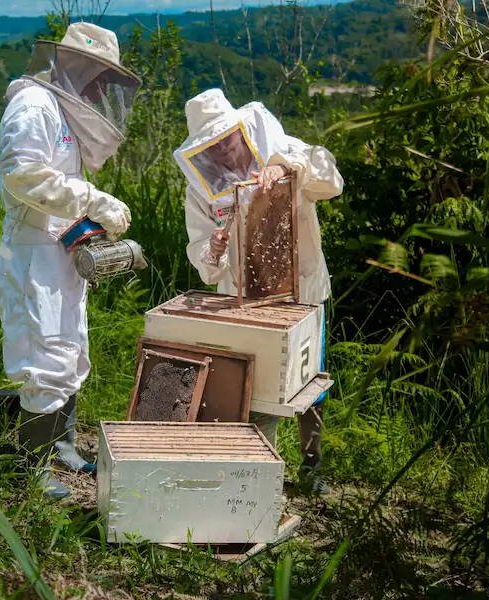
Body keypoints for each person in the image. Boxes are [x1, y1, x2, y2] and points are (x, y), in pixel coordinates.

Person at [0, 23, 141, 499]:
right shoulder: (33, 106)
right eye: (98, 74)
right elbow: (21, 174)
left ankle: (61, 449)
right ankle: (28, 467)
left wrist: (86, 227)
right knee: (46, 358)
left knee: (72, 351)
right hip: (32, 252)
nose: (100, 87)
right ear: (75, 64)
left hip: (59, 251)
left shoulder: (62, 114)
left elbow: (61, 192)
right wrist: (93, 198)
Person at [172, 88, 343, 494]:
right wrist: (211, 250)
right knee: (255, 384)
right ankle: (253, 475)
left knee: (307, 380)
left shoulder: (281, 149)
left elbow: (331, 178)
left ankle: (312, 463)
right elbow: (202, 256)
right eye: (213, 149)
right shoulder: (199, 189)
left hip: (301, 289)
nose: (225, 155)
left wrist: (285, 170)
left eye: (227, 143)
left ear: (241, 132)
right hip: (244, 296)